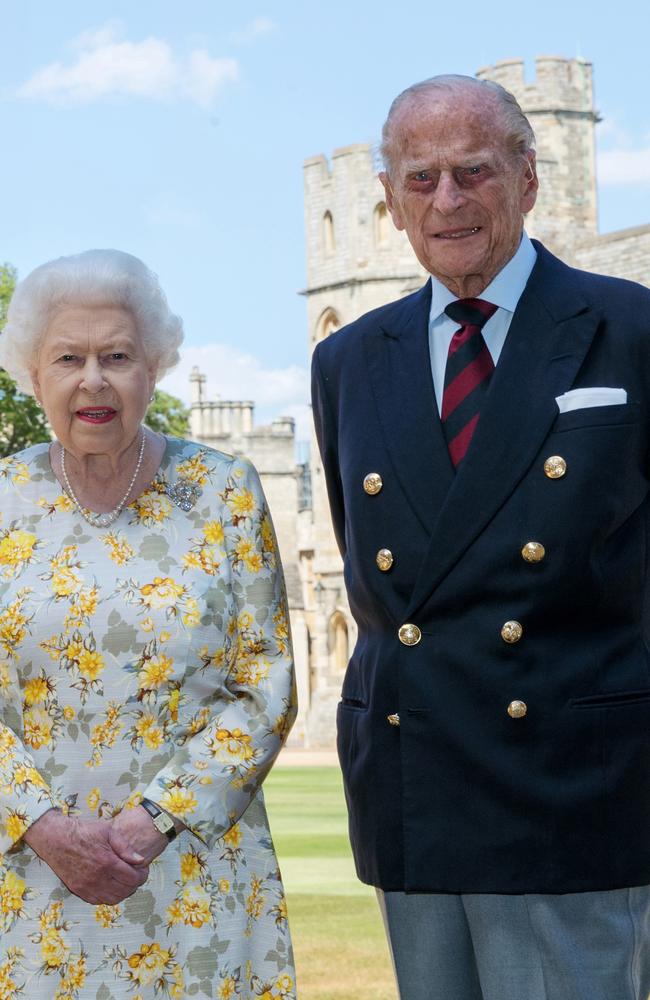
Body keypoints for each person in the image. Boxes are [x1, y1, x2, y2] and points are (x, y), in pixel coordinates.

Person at [311, 73, 650, 1000]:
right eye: (420, 180)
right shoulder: (346, 359)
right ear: (388, 200)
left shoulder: (630, 330)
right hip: (415, 787)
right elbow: (376, 571)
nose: (447, 201)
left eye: (474, 172)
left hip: (573, 788)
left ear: (530, 180)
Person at [0, 249, 297, 999]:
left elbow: (266, 681)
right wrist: (44, 826)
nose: (93, 380)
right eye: (69, 357)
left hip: (192, 873)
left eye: (118, 356)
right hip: (29, 879)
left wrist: (153, 822)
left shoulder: (226, 490)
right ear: (33, 376)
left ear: (154, 368)